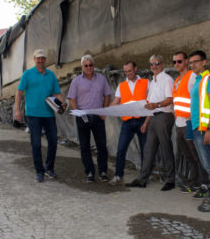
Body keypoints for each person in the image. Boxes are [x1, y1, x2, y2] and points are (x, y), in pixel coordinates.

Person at [15, 49, 66, 183]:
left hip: (49, 114)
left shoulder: (51, 75)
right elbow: (19, 93)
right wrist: (17, 111)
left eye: (43, 58)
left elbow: (57, 93)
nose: (40, 60)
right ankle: (39, 171)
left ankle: (49, 168)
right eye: (38, 58)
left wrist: (62, 103)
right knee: (36, 143)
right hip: (33, 114)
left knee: (53, 142)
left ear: (45, 60)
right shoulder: (27, 74)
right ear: (34, 59)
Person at [126, 55, 175, 191]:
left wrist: (157, 105)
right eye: (151, 64)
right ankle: (142, 179)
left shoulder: (167, 79)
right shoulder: (152, 81)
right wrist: (146, 121)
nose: (154, 66)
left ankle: (170, 180)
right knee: (148, 149)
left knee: (166, 148)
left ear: (162, 64)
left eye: (157, 63)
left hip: (164, 116)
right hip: (153, 117)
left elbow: (170, 99)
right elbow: (150, 104)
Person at [67, 54, 112, 182]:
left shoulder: (101, 79)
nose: (88, 67)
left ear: (94, 65)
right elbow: (72, 98)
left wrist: (104, 110)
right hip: (83, 117)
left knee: (102, 145)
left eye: (90, 65)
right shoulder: (76, 81)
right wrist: (77, 112)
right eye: (86, 65)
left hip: (98, 116)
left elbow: (107, 95)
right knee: (84, 146)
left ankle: (103, 171)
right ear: (82, 67)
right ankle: (90, 173)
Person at [108, 61, 149, 185]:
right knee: (121, 149)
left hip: (142, 120)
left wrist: (147, 121)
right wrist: (105, 110)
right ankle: (118, 175)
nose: (128, 74)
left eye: (130, 71)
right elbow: (115, 101)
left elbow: (151, 101)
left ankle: (143, 177)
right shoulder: (122, 86)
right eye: (125, 71)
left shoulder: (147, 83)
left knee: (145, 150)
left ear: (135, 69)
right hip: (127, 122)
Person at [172, 51, 207, 193]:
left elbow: (199, 99)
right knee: (188, 155)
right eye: (174, 62)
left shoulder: (193, 77)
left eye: (179, 61)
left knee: (197, 155)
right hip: (179, 123)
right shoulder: (177, 80)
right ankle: (195, 182)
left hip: (190, 122)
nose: (176, 64)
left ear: (186, 61)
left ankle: (203, 183)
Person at [188, 50, 210, 212]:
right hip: (197, 127)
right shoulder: (197, 80)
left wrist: (209, 129)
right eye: (191, 62)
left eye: (196, 61)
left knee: (208, 165)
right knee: (205, 164)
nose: (192, 64)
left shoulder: (207, 79)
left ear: (204, 62)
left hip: (204, 129)